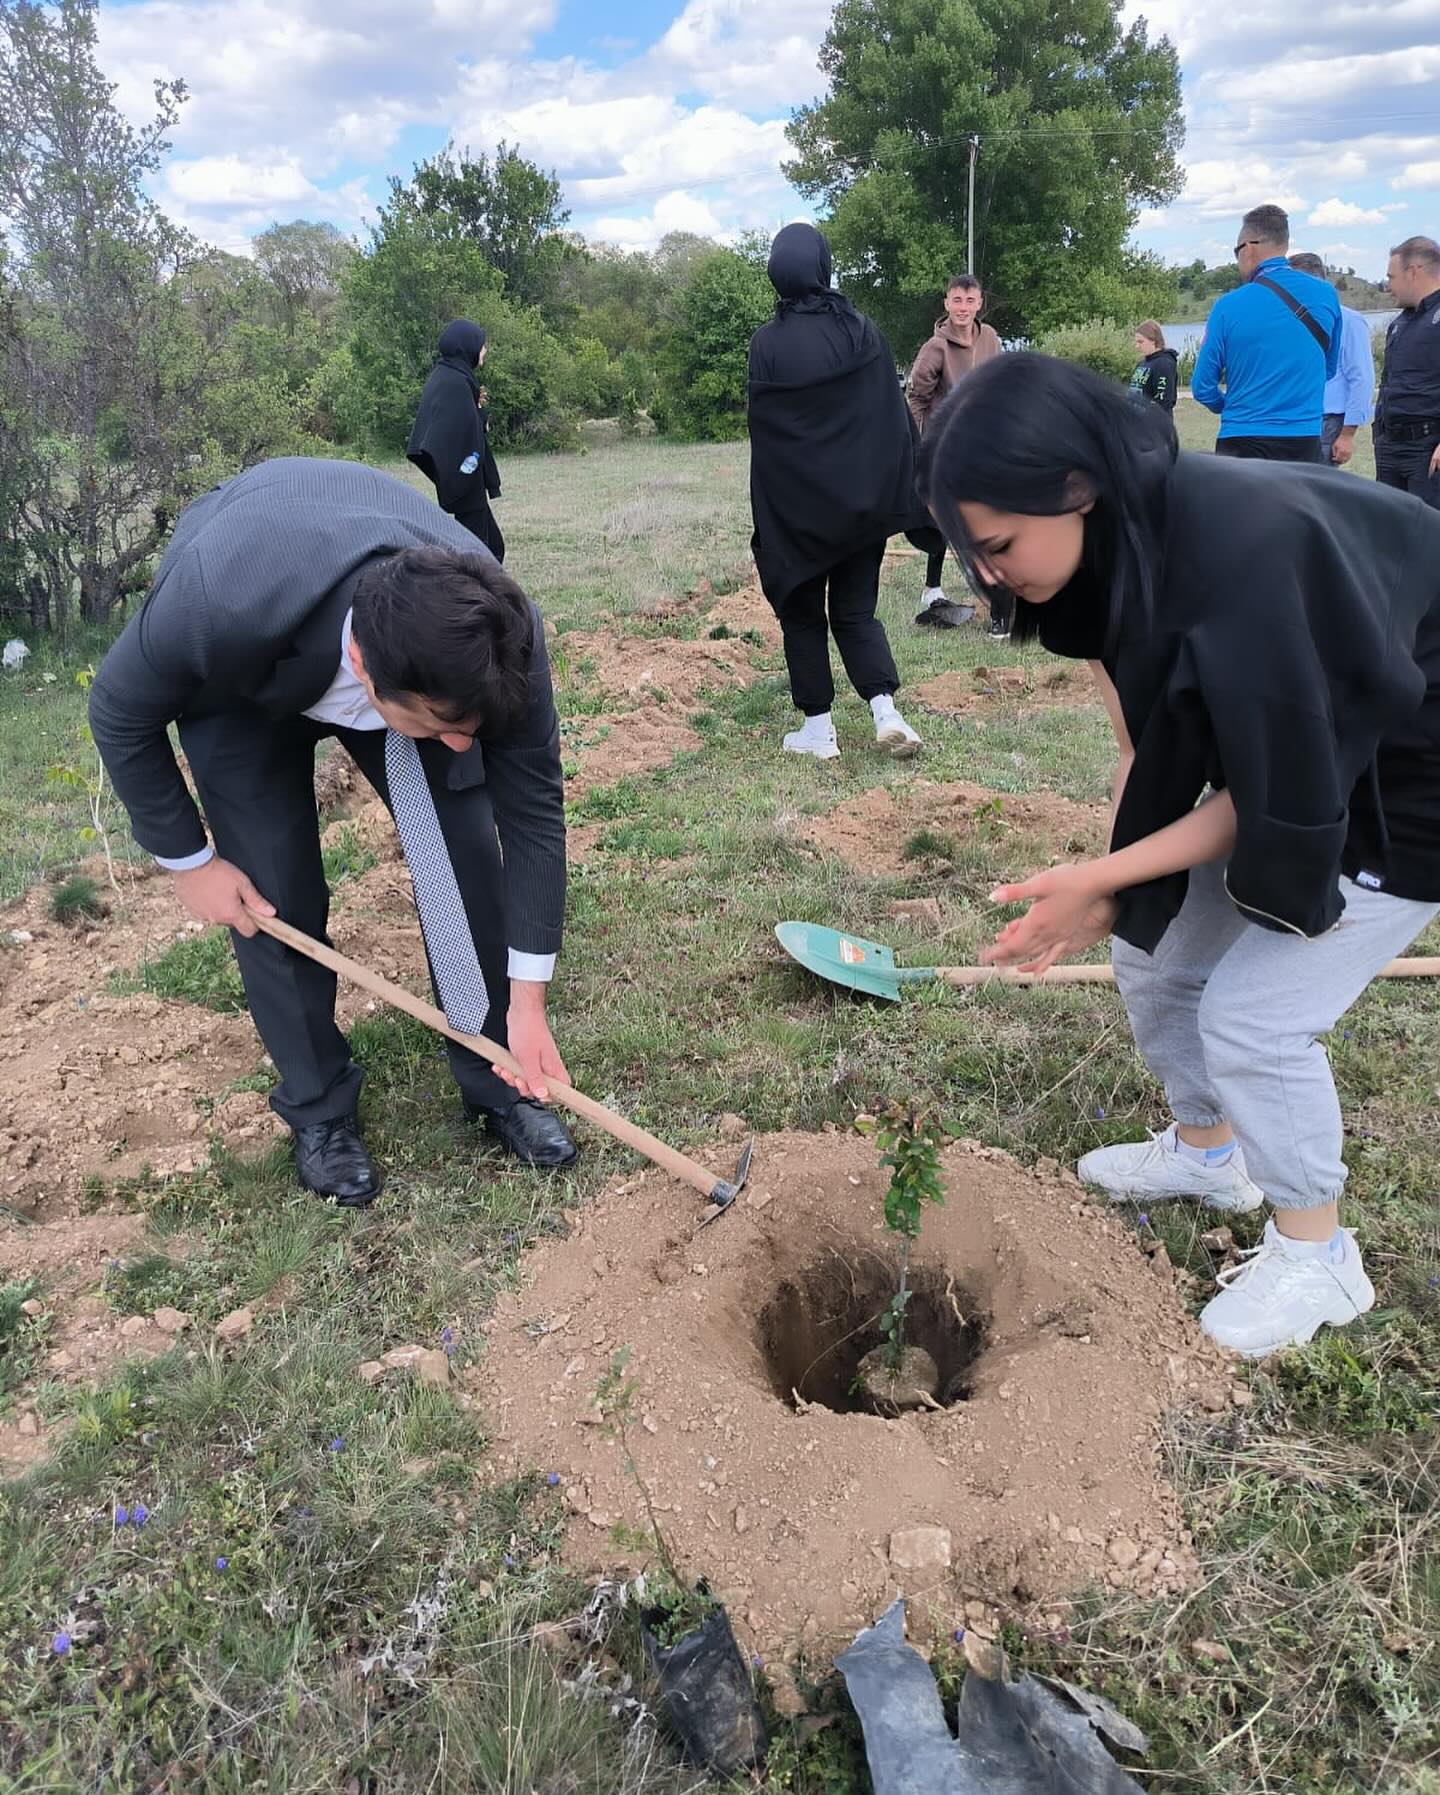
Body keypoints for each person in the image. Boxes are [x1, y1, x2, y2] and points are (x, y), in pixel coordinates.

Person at [918, 353, 1440, 1357]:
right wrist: (1112, 883)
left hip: (1412, 775)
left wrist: (1107, 880)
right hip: (1322, 748)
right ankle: (1212, 1152)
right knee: (1154, 945)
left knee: (1256, 1017)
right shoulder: (1120, 540)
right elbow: (1141, 747)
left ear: (1073, 486)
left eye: (995, 545)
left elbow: (1279, 798)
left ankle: (1319, 1254)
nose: (985, 575)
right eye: (966, 551)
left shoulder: (1243, 558)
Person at [88, 458, 578, 1208]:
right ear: (363, 668)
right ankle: (319, 1109)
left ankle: (495, 1075)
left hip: (369, 606)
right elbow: (119, 710)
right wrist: (191, 863)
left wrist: (529, 1003)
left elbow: (534, 815)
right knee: (272, 895)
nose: (459, 745)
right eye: (444, 728)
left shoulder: (497, 636)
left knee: (459, 847)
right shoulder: (215, 601)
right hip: (240, 684)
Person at [748, 222, 923, 761]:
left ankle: (820, 731)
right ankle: (885, 711)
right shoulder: (860, 330)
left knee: (803, 616)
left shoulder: (766, 343)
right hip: (860, 508)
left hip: (797, 514)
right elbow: (889, 415)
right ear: (822, 265)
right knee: (856, 612)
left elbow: (767, 434)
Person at [1192, 204, 1340, 461]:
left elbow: (1203, 386)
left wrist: (1232, 406)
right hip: (1303, 438)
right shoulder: (1326, 295)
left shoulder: (1227, 306)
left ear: (1248, 248)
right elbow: (1328, 368)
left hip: (1242, 438)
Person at [906, 274, 1003, 631]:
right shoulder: (936, 348)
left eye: (970, 301)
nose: (963, 308)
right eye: (956, 301)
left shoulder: (990, 338)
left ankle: (939, 590)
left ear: (979, 304)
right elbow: (916, 400)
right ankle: (997, 609)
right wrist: (916, 449)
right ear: (946, 303)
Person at [408, 320, 505, 561]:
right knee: (481, 555)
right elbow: (457, 432)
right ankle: (472, 595)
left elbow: (462, 422)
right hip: (465, 482)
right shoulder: (455, 382)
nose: (484, 351)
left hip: (465, 482)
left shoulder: (449, 375)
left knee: (491, 547)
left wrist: (478, 415)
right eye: (482, 346)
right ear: (467, 347)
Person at [1287, 253, 1374, 467]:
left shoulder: (1350, 321)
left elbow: (1361, 378)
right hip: (1295, 418)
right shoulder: (1290, 321)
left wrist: (1347, 434)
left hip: (1328, 422)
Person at [1375, 235, 1440, 509]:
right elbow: (1388, 380)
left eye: (1391, 277)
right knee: (1389, 534)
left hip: (1427, 449)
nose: (1388, 286)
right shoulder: (1400, 323)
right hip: (1390, 446)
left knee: (1428, 537)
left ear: (1413, 272)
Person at [1128, 322, 1178, 412]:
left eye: (1140, 342)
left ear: (1153, 340)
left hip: (1154, 423)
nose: (1137, 346)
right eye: (1136, 342)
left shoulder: (1164, 364)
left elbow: (1164, 402)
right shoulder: (1142, 364)